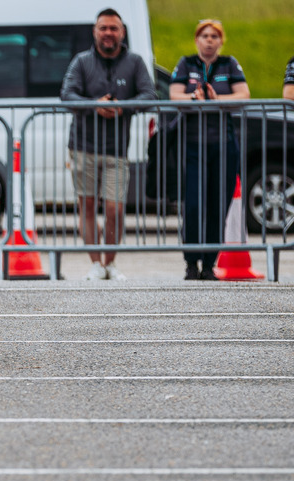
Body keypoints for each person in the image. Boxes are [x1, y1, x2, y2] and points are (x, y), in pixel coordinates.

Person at [61, 8, 156, 281]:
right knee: (87, 205)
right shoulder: (81, 61)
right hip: (82, 146)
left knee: (114, 208)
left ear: (122, 32)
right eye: (103, 28)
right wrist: (94, 106)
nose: (108, 33)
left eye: (113, 28)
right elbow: (67, 94)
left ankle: (111, 263)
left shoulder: (135, 62)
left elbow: (149, 94)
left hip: (117, 150)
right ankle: (95, 263)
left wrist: (122, 108)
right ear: (95, 31)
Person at [169, 19, 249, 280]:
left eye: (214, 36)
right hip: (193, 145)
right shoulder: (186, 63)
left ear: (221, 40)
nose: (209, 40)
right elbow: (174, 95)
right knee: (193, 204)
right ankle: (191, 262)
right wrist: (194, 98)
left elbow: (244, 95)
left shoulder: (229, 64)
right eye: (204, 35)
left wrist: (217, 100)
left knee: (218, 205)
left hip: (223, 145)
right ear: (197, 40)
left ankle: (209, 264)